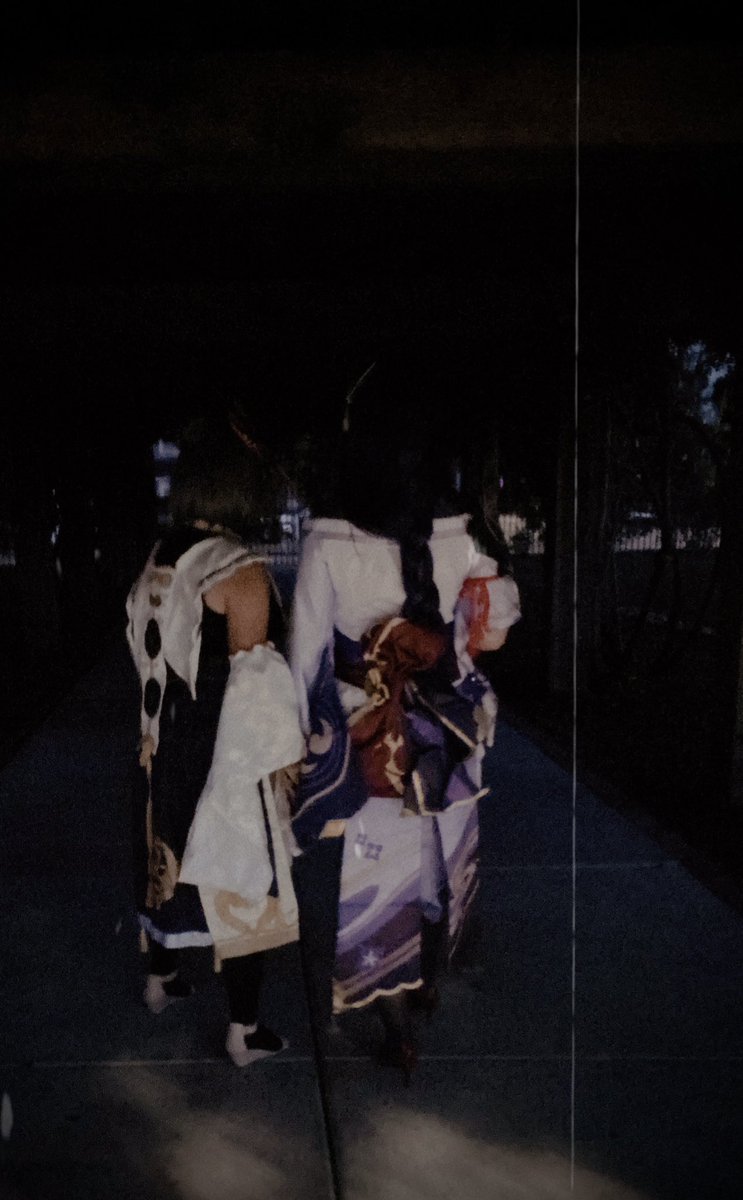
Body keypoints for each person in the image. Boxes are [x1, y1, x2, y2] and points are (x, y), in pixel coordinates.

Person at [288, 346, 521, 1082]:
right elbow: (487, 632)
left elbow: (304, 660)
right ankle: (428, 983)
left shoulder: (328, 538)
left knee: (377, 872)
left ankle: (392, 1022)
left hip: (369, 734)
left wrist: (298, 742)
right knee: (438, 860)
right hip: (445, 729)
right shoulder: (466, 535)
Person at [125, 410, 305, 1067]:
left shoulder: (162, 554)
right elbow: (255, 692)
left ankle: (161, 979)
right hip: (217, 750)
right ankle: (244, 1031)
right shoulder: (237, 568)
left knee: (163, 862)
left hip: (159, 744)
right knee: (241, 877)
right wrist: (286, 762)